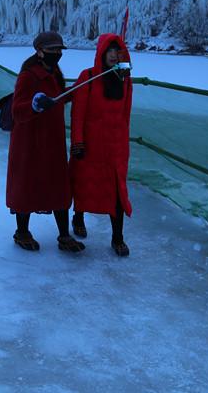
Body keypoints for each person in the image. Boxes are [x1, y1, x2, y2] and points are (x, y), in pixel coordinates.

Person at [6, 31, 85, 253]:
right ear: (40, 51)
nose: (57, 54)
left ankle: (64, 235)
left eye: (59, 50)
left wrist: (78, 88)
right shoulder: (28, 76)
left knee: (58, 186)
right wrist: (34, 105)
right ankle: (22, 232)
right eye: (53, 50)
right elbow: (17, 111)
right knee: (26, 186)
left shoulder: (54, 71)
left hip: (53, 140)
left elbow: (57, 99)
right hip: (29, 142)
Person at [69, 33, 134, 256]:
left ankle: (118, 238)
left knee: (117, 192)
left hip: (115, 148)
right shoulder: (87, 77)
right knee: (84, 184)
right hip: (90, 146)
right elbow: (78, 113)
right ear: (102, 53)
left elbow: (126, 116)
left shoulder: (125, 81)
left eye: (118, 51)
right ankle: (78, 216)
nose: (115, 56)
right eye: (111, 51)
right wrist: (77, 142)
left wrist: (124, 145)